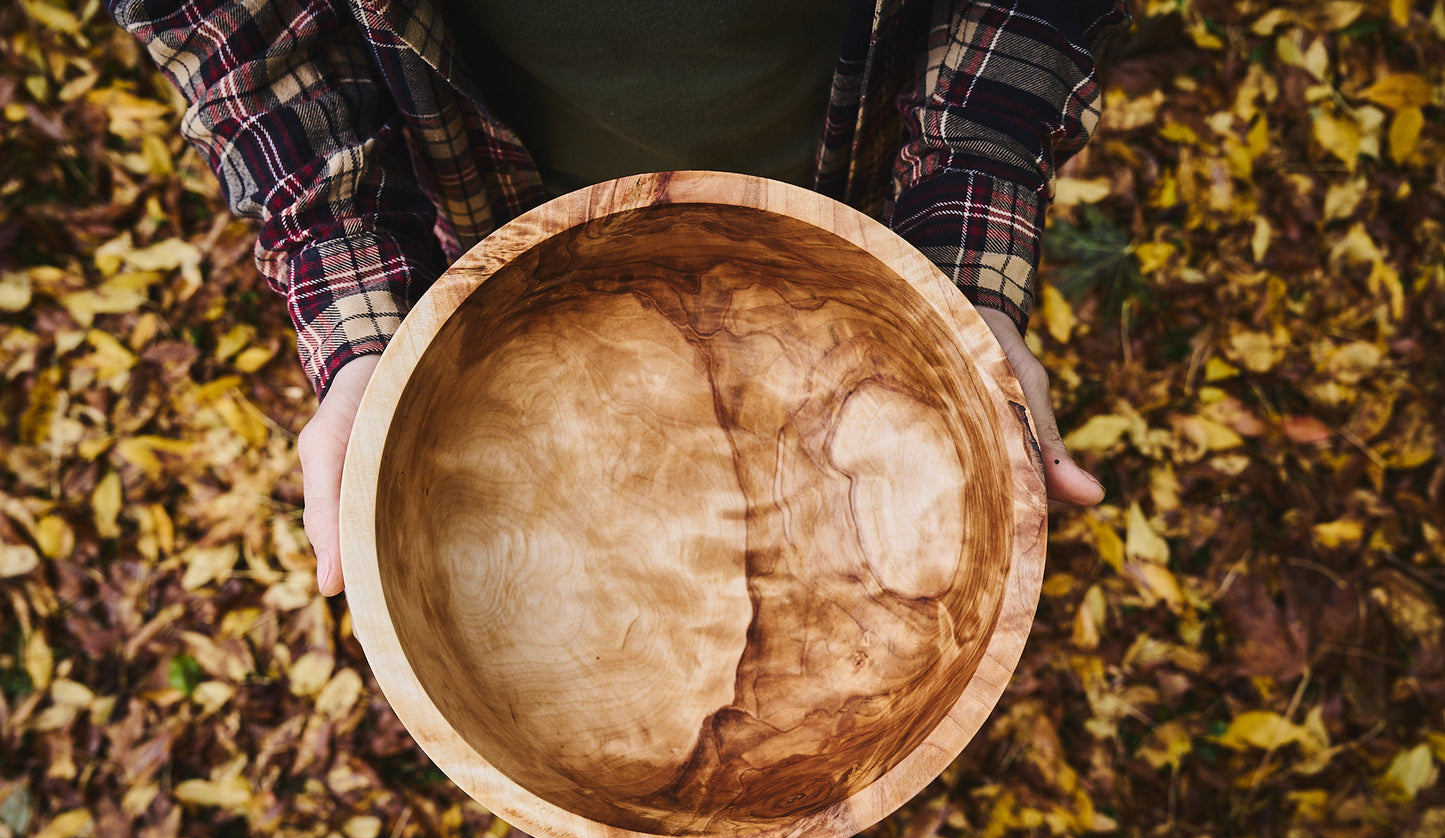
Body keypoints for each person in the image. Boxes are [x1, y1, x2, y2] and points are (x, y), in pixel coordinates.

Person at [110, 0, 1129, 596]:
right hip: (488, 214)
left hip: (860, 170)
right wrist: (364, 328)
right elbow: (235, 30)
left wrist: (954, 268)